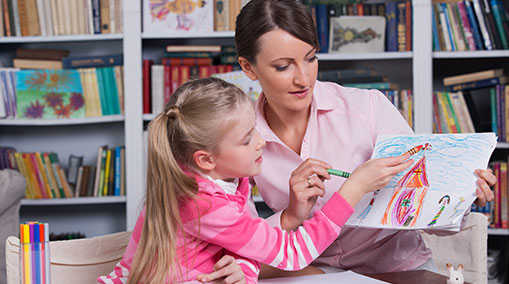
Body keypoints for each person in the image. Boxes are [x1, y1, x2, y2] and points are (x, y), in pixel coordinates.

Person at [232, 0, 497, 276]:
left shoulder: (367, 108)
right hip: (312, 271)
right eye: (283, 66)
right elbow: (241, 242)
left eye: (310, 59)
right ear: (248, 68)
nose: (303, 79)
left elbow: (423, 206)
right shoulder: (240, 136)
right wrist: (291, 217)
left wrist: (460, 197)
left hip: (397, 269)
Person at [96, 77, 415, 284]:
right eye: (247, 138)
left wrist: (245, 266)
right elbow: (292, 254)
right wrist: (354, 189)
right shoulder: (200, 201)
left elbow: (247, 245)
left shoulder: (228, 181)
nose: (260, 142)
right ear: (206, 159)